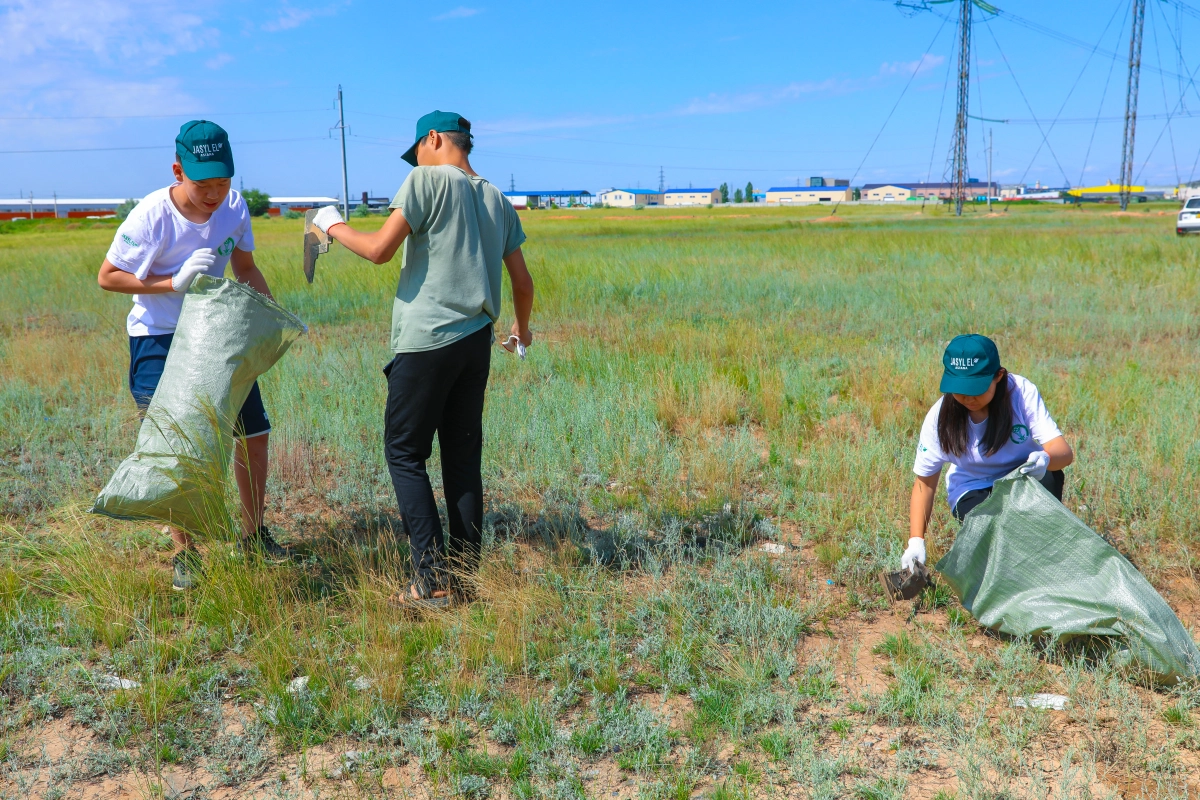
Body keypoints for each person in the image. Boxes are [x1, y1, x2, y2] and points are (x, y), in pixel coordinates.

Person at [309, 110, 534, 607]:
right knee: (462, 460)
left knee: (405, 453)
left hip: (427, 340)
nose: (416, 161)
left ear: (434, 139)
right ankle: (464, 580)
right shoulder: (497, 198)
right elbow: (522, 282)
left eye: (418, 151)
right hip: (477, 342)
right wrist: (520, 328)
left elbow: (378, 250)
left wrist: (332, 224)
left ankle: (428, 580)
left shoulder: (426, 179)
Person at [97, 120, 295, 591]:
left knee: (254, 433)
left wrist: (270, 320)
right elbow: (108, 276)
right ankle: (186, 553)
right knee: (177, 448)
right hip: (160, 337)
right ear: (177, 170)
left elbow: (245, 267)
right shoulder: (151, 216)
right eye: (202, 183)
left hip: (217, 332)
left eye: (222, 182)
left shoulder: (233, 208)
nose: (213, 194)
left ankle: (254, 537)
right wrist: (172, 283)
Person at [902, 334, 1074, 571]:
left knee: (1047, 486)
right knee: (994, 535)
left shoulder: (1021, 393)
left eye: (977, 388)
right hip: (973, 486)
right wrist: (916, 541)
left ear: (998, 376)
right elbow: (925, 483)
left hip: (1023, 476)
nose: (968, 398)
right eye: (961, 389)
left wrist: (1045, 459)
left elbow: (1063, 453)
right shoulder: (939, 418)